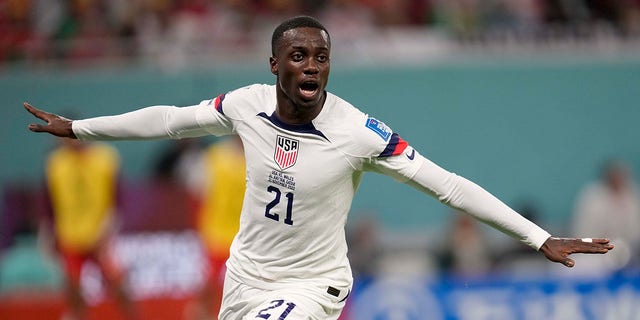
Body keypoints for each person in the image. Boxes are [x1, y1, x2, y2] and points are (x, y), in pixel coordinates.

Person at [24, 15, 613, 320]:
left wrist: (538, 237)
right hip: (245, 277)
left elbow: (449, 186)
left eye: (322, 58)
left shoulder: (359, 133)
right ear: (275, 63)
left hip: (315, 287)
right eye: (300, 55)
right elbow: (171, 120)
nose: (312, 66)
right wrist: (79, 128)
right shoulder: (246, 105)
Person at [40, 134, 137, 320]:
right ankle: (78, 315)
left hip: (100, 236)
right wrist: (47, 234)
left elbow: (118, 198)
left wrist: (108, 230)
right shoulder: (55, 163)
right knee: (72, 286)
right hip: (70, 236)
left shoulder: (105, 157)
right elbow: (49, 203)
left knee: (118, 285)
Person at [188, 135, 246, 320]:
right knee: (208, 287)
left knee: (248, 287)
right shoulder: (213, 157)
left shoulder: (259, 155)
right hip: (216, 234)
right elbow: (197, 193)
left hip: (246, 236)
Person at [570, 159, 640, 273]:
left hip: (630, 254)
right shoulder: (592, 197)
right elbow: (585, 232)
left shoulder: (632, 195)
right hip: (595, 254)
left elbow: (635, 232)